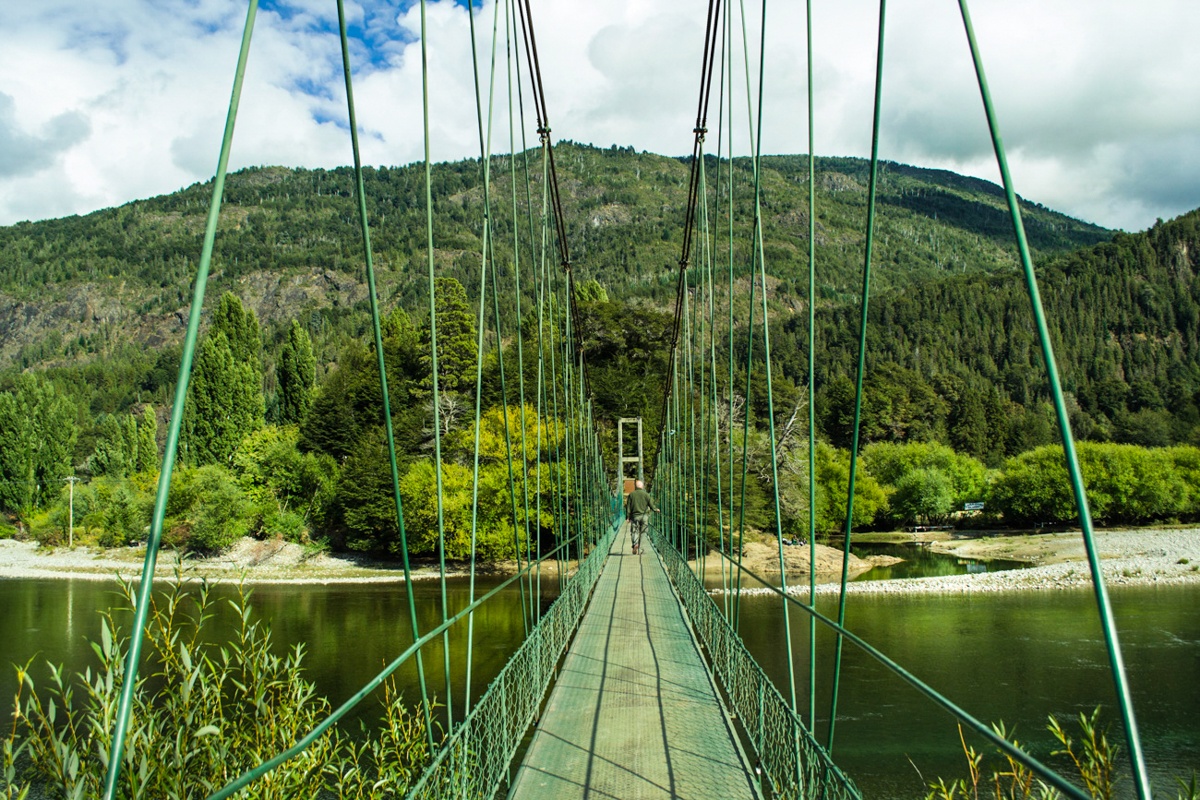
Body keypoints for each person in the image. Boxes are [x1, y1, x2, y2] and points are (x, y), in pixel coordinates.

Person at [625, 480, 658, 556]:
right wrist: (655, 509)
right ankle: (641, 548)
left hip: (635, 516)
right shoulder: (646, 494)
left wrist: (628, 517)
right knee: (643, 532)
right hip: (644, 516)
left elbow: (628, 507)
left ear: (636, 486)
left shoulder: (631, 494)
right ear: (642, 486)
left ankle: (635, 544)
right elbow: (651, 504)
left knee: (634, 531)